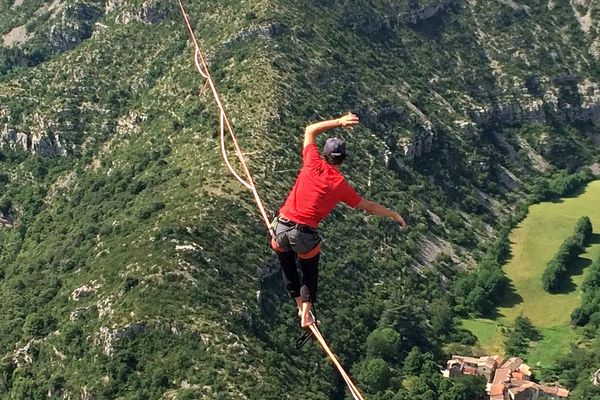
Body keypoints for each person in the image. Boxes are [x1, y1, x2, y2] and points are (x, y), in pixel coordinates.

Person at [271, 112, 406, 328]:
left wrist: (339, 122)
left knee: (287, 264)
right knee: (309, 271)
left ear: (324, 154)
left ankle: (299, 307)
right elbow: (369, 207)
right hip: (303, 234)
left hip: (281, 225)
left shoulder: (311, 161)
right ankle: (305, 312)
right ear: (342, 159)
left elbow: (310, 130)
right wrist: (393, 214)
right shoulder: (340, 185)